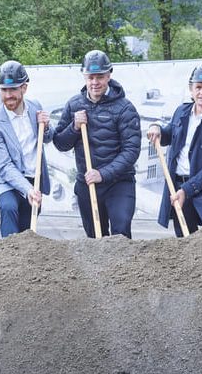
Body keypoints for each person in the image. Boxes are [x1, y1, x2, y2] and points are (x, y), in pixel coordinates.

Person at [53, 49, 141, 238]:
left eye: (99, 77)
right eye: (90, 77)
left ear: (109, 75)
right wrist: (74, 127)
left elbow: (131, 151)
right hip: (87, 183)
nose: (95, 82)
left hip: (119, 183)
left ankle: (124, 269)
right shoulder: (74, 105)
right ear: (84, 76)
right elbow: (60, 143)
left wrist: (102, 174)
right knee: (95, 237)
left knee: (121, 233)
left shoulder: (125, 108)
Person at [147, 64, 202, 236]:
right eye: (198, 87)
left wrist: (187, 190)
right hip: (178, 184)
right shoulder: (181, 112)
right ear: (191, 89)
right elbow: (168, 134)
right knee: (185, 240)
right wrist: (156, 127)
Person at [0, 61, 53, 237]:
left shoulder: (35, 107)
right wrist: (27, 190)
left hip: (33, 180)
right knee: (9, 207)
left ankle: (26, 262)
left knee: (27, 229)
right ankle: (8, 257)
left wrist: (47, 126)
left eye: (13, 89)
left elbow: (49, 138)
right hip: (5, 182)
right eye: (3, 90)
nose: (8, 95)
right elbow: (4, 166)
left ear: (24, 88)